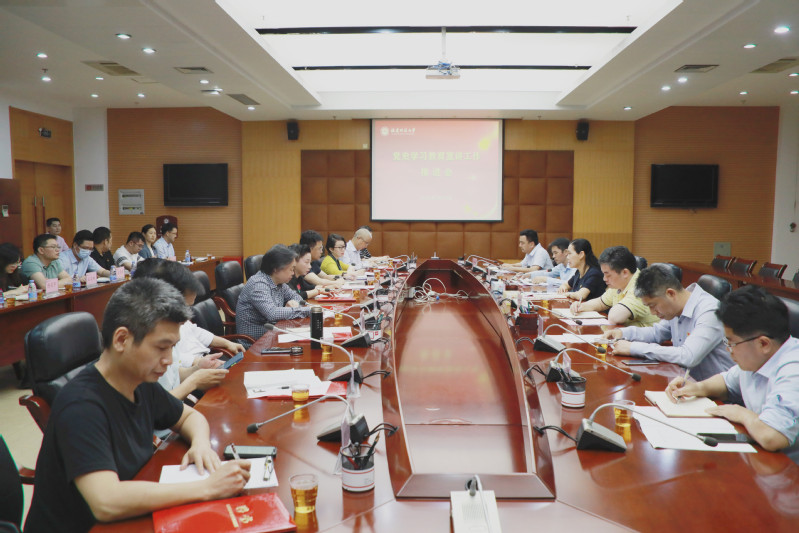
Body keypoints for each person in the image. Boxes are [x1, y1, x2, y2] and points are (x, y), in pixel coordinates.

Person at [24, 278, 251, 532]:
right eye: (161, 348)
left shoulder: (138, 381)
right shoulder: (80, 406)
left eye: (172, 348)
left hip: (131, 512)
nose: (169, 360)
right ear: (122, 339)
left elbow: (189, 417)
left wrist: (200, 445)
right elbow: (106, 502)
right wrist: (206, 488)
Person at [666, 285, 799, 464]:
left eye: (731, 343)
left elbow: (773, 436)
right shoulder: (757, 357)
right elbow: (727, 382)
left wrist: (741, 414)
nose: (729, 350)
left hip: (788, 467)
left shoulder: (793, 369)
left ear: (763, 344)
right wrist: (697, 387)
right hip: (762, 457)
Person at [132, 259, 241, 404]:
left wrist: (197, 369)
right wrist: (194, 381)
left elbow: (173, 375)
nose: (185, 319)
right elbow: (156, 408)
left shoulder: (167, 332)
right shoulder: (138, 341)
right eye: (182, 307)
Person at [602, 264, 734, 381]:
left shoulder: (709, 311)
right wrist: (622, 333)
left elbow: (688, 356)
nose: (652, 312)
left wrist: (633, 348)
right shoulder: (677, 307)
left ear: (670, 293)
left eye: (653, 305)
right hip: (686, 384)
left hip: (717, 395)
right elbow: (656, 333)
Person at [570, 245, 659, 326]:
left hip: (645, 337)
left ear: (625, 273)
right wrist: (581, 306)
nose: (604, 279)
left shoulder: (641, 286)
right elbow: (601, 303)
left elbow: (614, 318)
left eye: (608, 275)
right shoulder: (620, 283)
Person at [236, 244, 312, 339]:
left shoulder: (279, 282)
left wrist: (293, 303)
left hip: (275, 332)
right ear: (276, 269)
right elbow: (272, 313)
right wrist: (308, 310)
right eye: (291, 269)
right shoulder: (258, 285)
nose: (293, 273)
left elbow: (297, 297)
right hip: (255, 341)